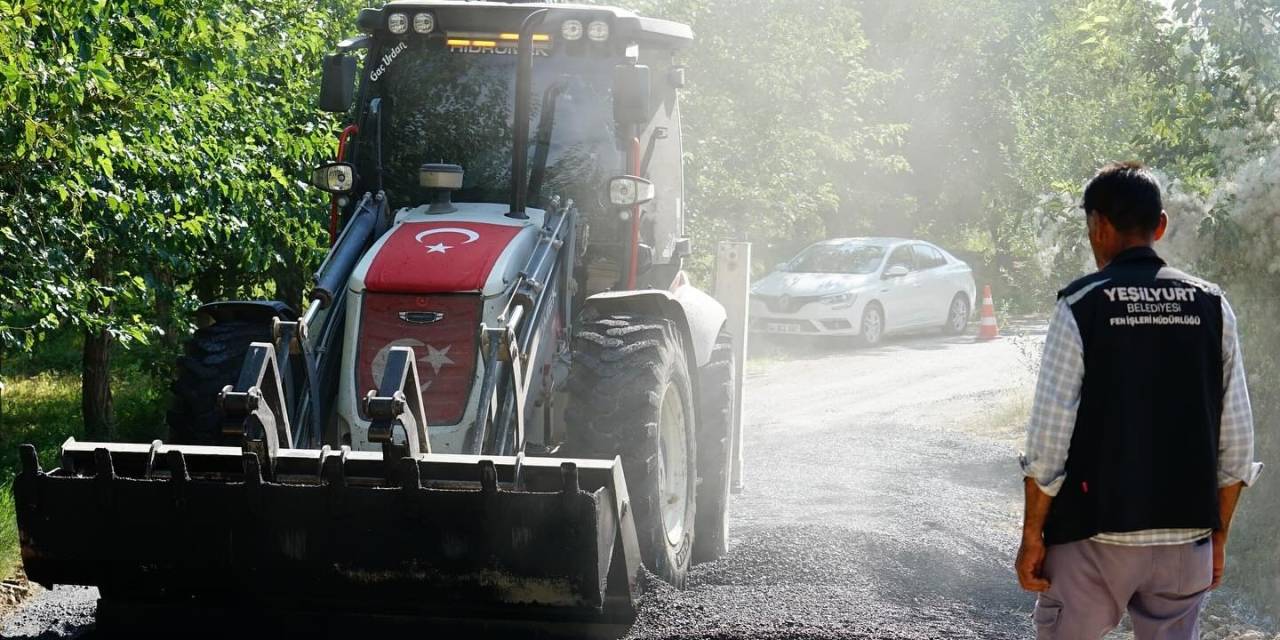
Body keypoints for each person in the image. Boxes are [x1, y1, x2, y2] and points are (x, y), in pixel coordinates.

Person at [1016, 162, 1262, 639]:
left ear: (1098, 226)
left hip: (1093, 540)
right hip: (1184, 541)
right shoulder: (1212, 305)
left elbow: (1049, 444)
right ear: (1161, 225)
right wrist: (1217, 537)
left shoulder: (1081, 305)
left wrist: (1032, 538)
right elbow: (1236, 446)